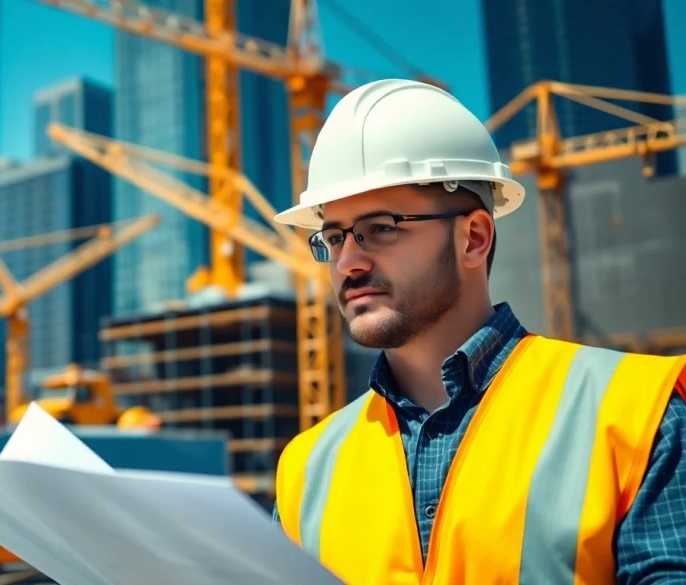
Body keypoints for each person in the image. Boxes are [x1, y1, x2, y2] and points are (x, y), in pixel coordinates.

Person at [269, 78, 686, 584]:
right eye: (333, 237)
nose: (348, 262)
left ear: (474, 238)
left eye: (380, 227)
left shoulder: (636, 413)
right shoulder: (305, 471)